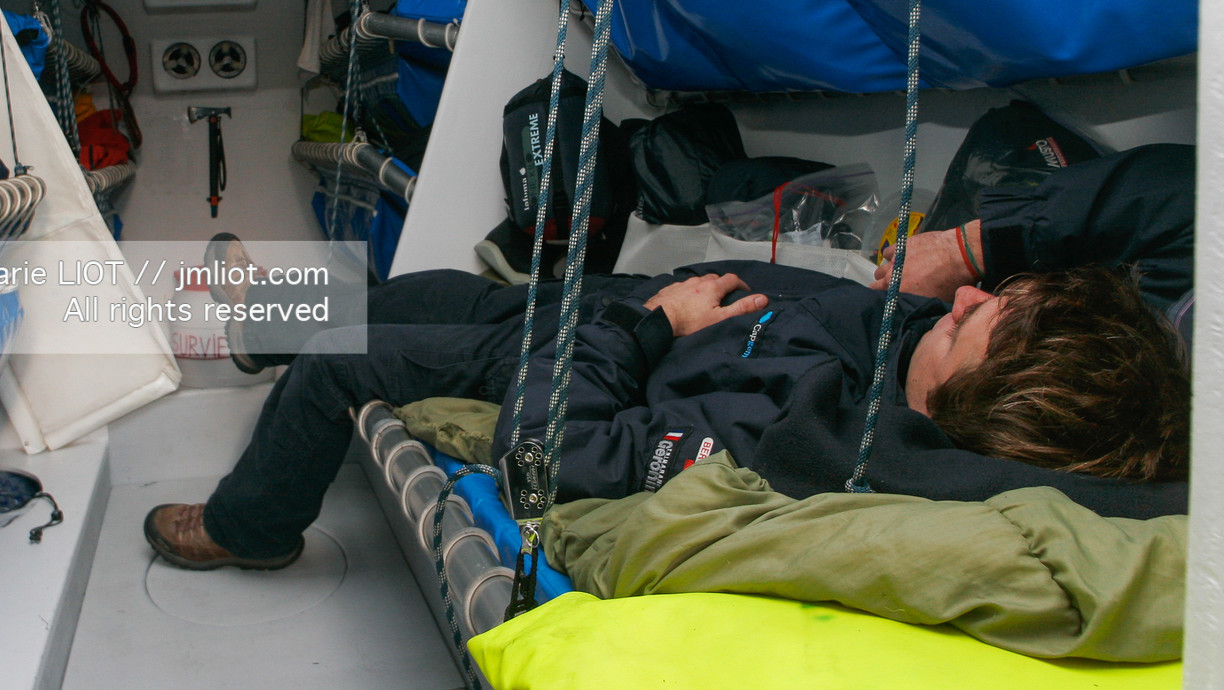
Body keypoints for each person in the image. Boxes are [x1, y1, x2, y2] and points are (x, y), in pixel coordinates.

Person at [144, 144, 1193, 571]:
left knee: (341, 355)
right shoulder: (920, 340)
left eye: (973, 322)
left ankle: (249, 527)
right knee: (404, 289)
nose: (960, 303)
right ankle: (254, 323)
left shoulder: (801, 441)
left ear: (975, 401)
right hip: (581, 309)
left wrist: (649, 328)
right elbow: (1185, 197)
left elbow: (557, 456)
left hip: (564, 354)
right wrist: (978, 248)